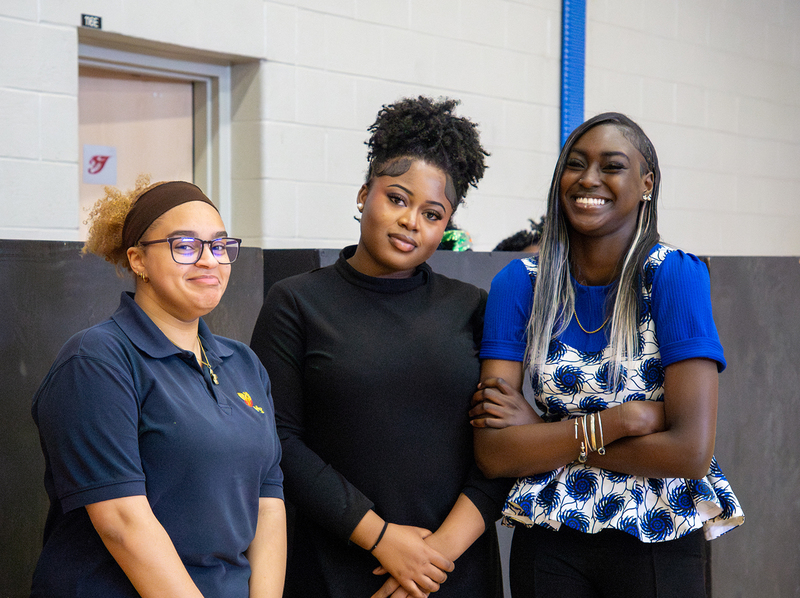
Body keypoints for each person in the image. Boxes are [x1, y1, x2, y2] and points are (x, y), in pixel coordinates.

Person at [470, 112, 744, 597]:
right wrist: (619, 421)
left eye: (611, 165)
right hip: (551, 532)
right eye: (575, 165)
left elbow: (689, 452)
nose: (588, 179)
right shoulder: (520, 284)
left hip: (660, 529)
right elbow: (494, 452)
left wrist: (542, 434)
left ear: (646, 183)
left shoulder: (673, 276)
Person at [250, 96, 509, 598]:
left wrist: (435, 557)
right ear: (364, 194)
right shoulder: (297, 302)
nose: (412, 221)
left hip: (452, 572)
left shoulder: (473, 307)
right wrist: (383, 539)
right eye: (397, 198)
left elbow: (498, 450)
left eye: (432, 213)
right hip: (336, 565)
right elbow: (277, 440)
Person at [31, 178, 286, 598]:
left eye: (219, 246)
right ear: (138, 260)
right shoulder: (97, 360)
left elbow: (268, 502)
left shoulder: (244, 364)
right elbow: (122, 522)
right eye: (185, 246)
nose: (209, 261)